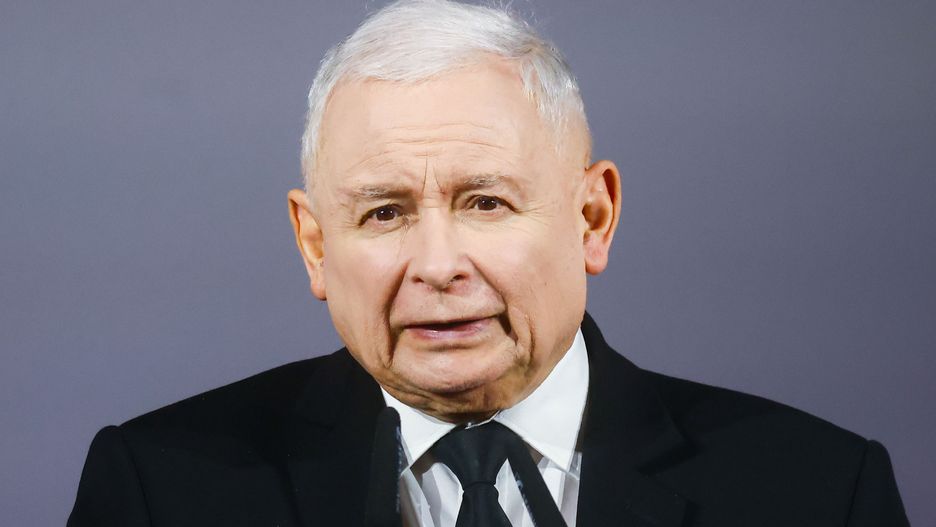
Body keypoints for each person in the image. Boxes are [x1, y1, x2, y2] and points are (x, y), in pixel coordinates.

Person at [68, 1, 909, 526]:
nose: (438, 265)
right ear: (315, 245)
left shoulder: (819, 492)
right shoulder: (158, 491)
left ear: (593, 217)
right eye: (385, 212)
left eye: (487, 202)